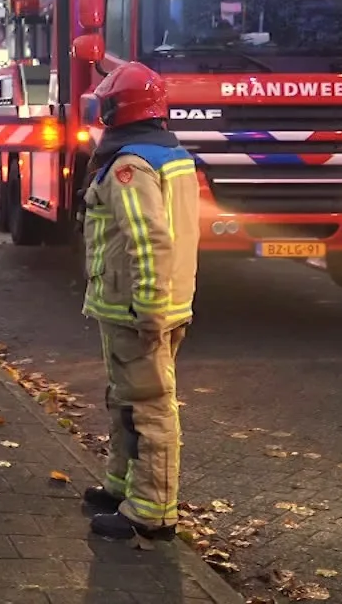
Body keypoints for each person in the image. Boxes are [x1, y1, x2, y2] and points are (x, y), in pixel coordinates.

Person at [77, 61, 201, 542]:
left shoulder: (129, 166)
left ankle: (151, 511)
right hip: (158, 302)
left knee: (149, 405)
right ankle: (122, 486)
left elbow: (147, 239)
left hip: (138, 308)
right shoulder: (172, 155)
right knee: (126, 399)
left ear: (116, 107)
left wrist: (148, 307)